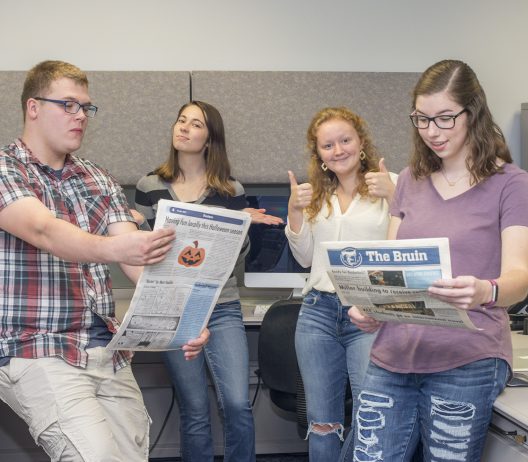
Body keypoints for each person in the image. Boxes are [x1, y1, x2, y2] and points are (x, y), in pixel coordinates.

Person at [0, 60, 209, 462]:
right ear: (33, 107)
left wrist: (183, 318)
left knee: (131, 456)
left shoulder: (96, 176)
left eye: (86, 107)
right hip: (36, 346)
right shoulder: (7, 167)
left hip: (103, 346)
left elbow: (134, 255)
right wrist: (115, 249)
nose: (80, 116)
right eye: (68, 105)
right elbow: (44, 231)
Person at [349, 59, 528, 462]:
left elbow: (520, 278)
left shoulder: (512, 184)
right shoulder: (411, 180)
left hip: (466, 358)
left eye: (445, 118)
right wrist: (374, 308)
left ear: (474, 113)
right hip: (393, 356)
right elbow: (391, 269)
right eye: (421, 119)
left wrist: (487, 289)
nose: (432, 131)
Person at [135, 100, 282, 462]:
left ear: (210, 138)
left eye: (195, 124)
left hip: (221, 305)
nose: (183, 128)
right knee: (195, 407)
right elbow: (142, 248)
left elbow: (236, 257)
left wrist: (239, 226)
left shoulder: (230, 190)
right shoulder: (150, 185)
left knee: (236, 403)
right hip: (171, 308)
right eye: (180, 120)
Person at [285, 107, 396, 462]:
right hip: (318, 311)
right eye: (328, 145)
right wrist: (294, 211)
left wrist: (396, 196)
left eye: (345, 140)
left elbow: (412, 243)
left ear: (361, 141)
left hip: (369, 313)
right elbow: (304, 258)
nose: (338, 150)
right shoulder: (315, 194)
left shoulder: (388, 182)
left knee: (372, 416)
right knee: (322, 422)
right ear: (318, 154)